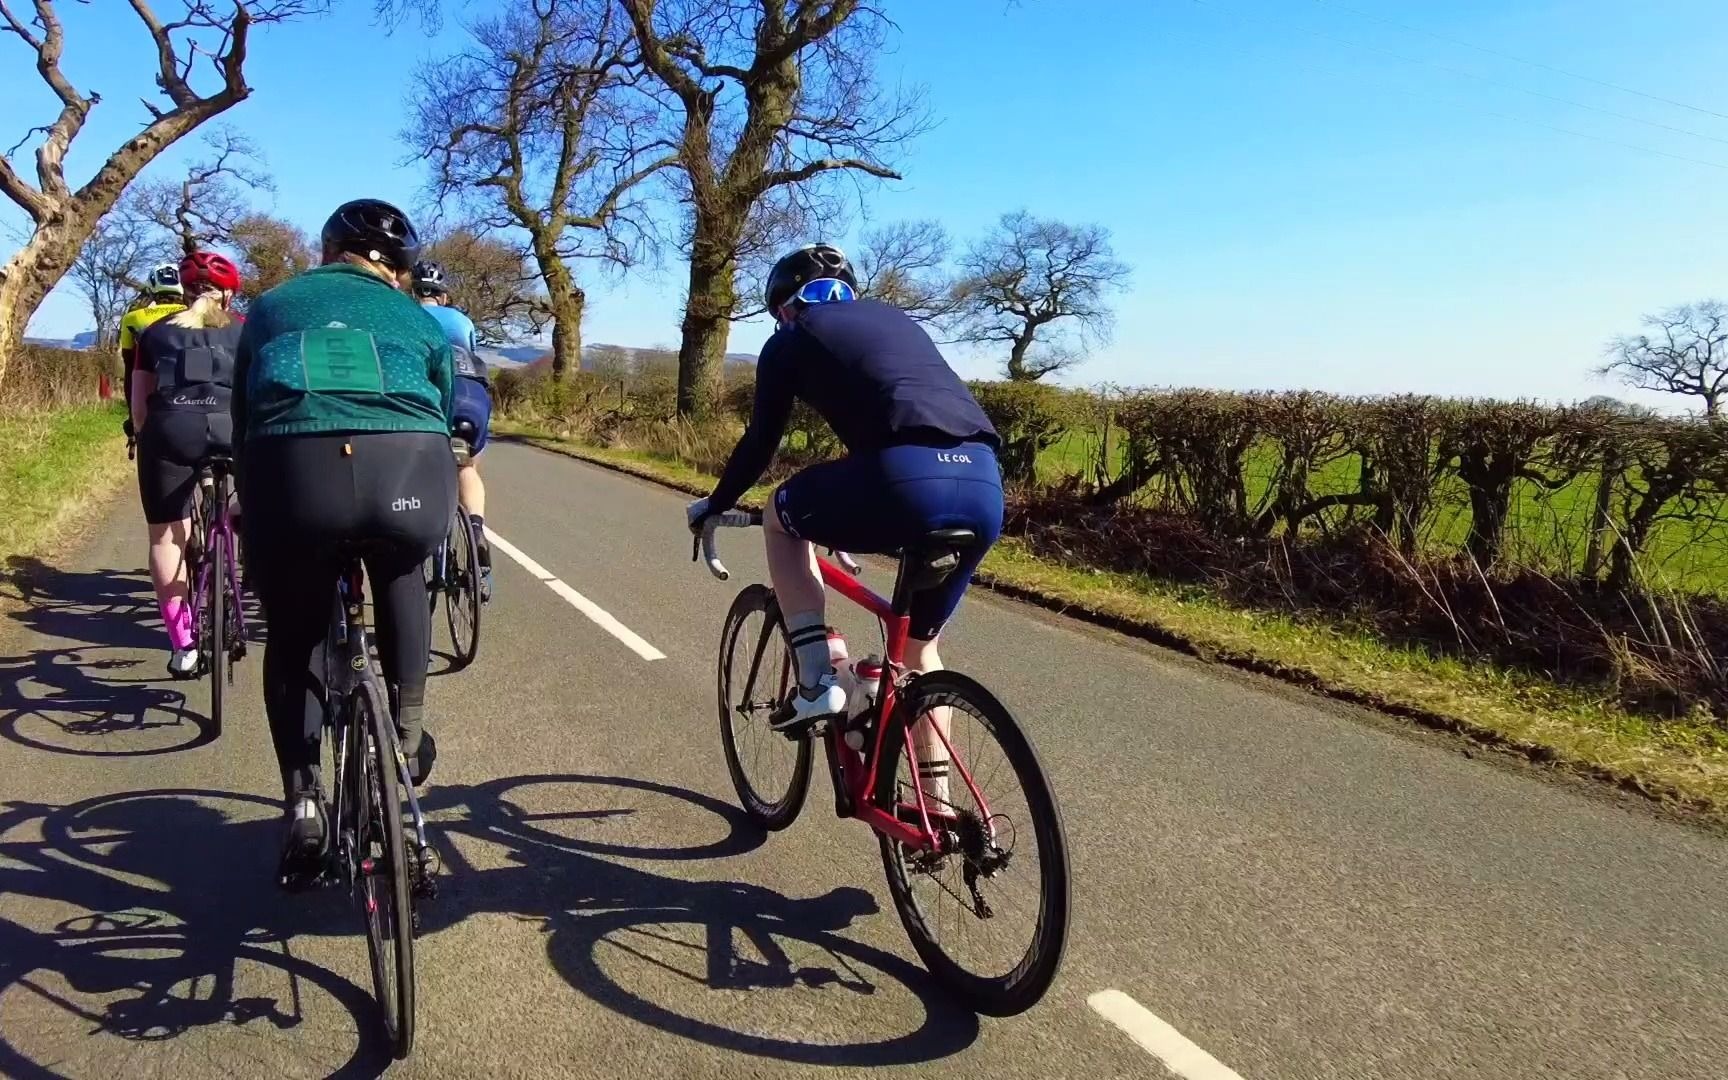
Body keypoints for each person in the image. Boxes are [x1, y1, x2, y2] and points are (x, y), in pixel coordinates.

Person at [685, 243, 1004, 738]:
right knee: (920, 656)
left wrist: (717, 504)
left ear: (786, 306)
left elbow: (760, 442)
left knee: (778, 513)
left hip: (900, 481)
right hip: (983, 484)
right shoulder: (897, 322)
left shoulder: (791, 338)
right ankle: (937, 811)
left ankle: (816, 683)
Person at [232, 198, 456, 882]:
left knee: (296, 631)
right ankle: (406, 739)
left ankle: (303, 799)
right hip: (407, 463)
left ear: (330, 253)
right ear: (398, 270)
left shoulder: (271, 306)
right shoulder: (419, 316)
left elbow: (243, 411)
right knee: (401, 568)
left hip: (294, 467)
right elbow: (444, 405)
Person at [131, 252, 245, 678]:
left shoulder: (154, 331)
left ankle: (184, 646)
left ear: (184, 291)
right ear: (229, 295)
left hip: (172, 429)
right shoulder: (245, 330)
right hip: (232, 427)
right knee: (254, 501)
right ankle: (236, 532)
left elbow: (140, 409)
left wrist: (148, 439)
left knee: (166, 538)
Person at [411, 260, 493, 599]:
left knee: (412, 462)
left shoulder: (403, 315)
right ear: (443, 297)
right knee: (467, 465)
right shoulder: (462, 321)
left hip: (429, 393)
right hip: (472, 393)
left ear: (412, 291)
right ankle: (475, 528)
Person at [119, 263, 186, 445]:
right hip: (192, 393)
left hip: (149, 394)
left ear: (152, 288)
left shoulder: (133, 319)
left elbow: (129, 367)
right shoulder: (195, 314)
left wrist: (132, 416)